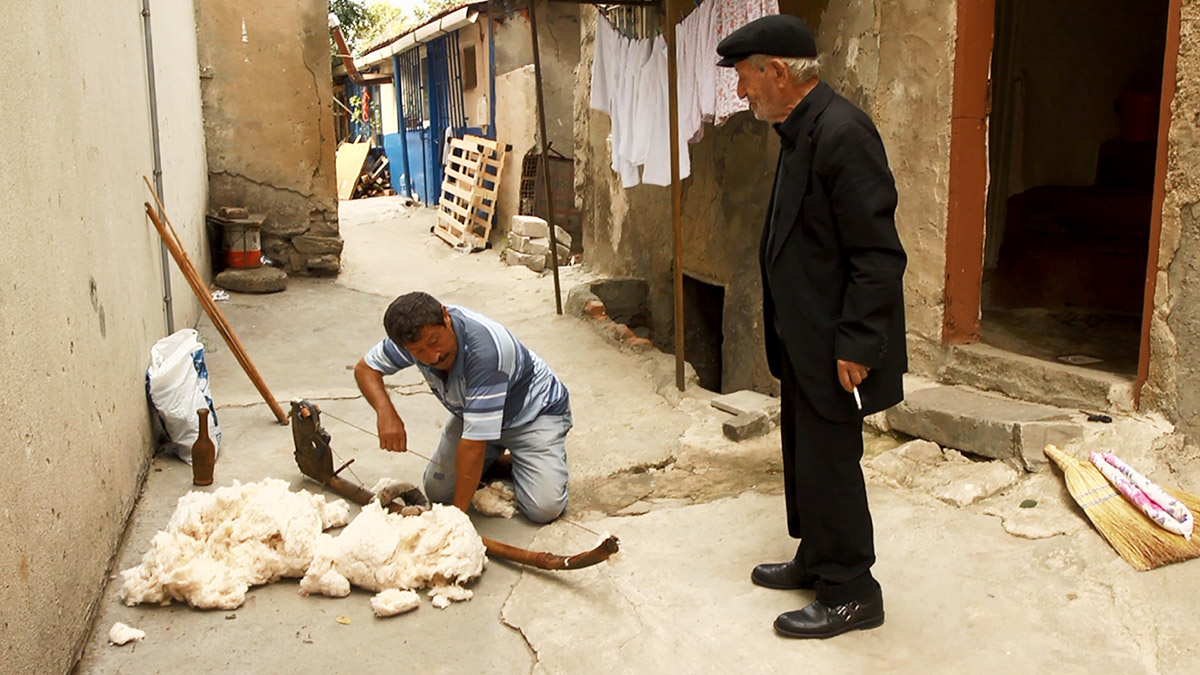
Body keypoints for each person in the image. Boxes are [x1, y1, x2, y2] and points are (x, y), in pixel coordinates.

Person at [716, 15, 908, 639]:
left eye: (745, 78)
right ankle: (817, 558)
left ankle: (853, 591)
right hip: (803, 337)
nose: (741, 91)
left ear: (776, 71)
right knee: (805, 456)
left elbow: (877, 253)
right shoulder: (801, 128)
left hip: (835, 342)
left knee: (831, 463)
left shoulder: (843, 132)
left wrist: (857, 341)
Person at [354, 291, 572, 523]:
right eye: (419, 352)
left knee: (544, 509)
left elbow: (473, 446)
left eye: (434, 342)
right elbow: (365, 369)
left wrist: (455, 522)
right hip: (472, 414)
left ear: (446, 317)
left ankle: (537, 456)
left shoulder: (488, 352)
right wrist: (386, 412)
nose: (433, 356)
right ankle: (503, 462)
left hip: (532, 415)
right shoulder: (412, 338)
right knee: (439, 491)